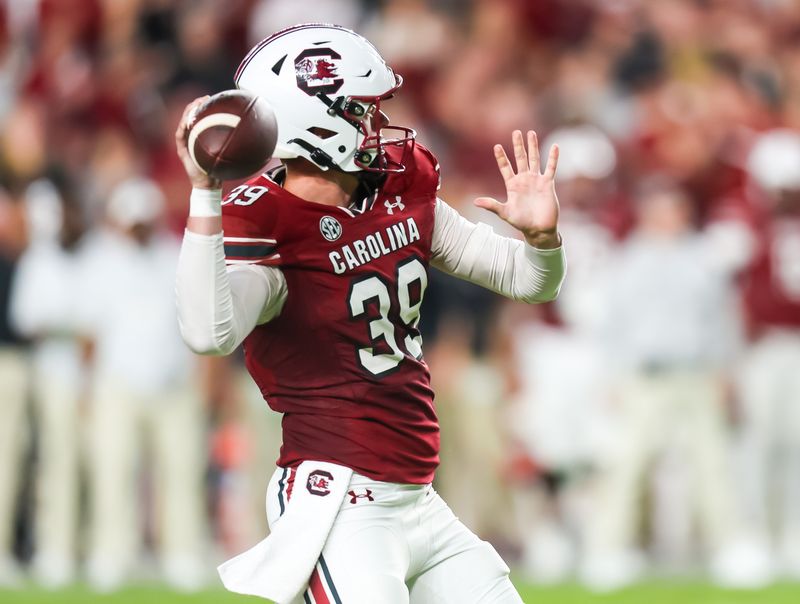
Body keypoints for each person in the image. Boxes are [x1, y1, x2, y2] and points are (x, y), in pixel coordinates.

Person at [175, 24, 566, 604]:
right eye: (361, 110)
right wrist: (204, 194)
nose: (376, 124)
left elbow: (529, 281)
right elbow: (209, 334)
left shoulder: (398, 188)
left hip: (417, 496)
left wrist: (543, 239)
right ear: (314, 118)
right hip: (339, 503)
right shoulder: (271, 225)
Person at [78, 178, 207, 592]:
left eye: (143, 221)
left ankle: (182, 554)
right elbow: (89, 331)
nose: (138, 230)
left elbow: (197, 317)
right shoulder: (100, 260)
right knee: (114, 470)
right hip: (118, 384)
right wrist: (85, 385)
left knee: (181, 470)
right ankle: (111, 555)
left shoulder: (176, 253)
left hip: (173, 382)